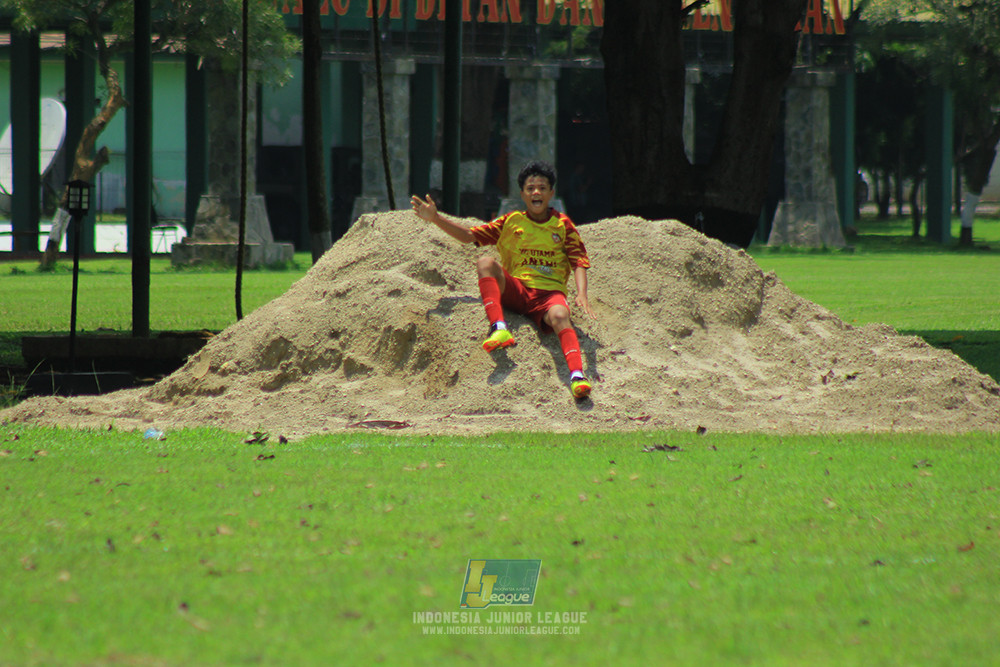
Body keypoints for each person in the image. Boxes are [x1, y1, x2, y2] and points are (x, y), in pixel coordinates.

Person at [410, 160, 595, 399]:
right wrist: (435, 218)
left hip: (549, 296)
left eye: (541, 187)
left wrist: (582, 294)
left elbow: (578, 260)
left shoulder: (563, 225)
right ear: (522, 194)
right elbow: (468, 236)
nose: (535, 192)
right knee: (485, 262)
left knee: (560, 316)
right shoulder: (510, 221)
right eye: (530, 188)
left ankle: (577, 376)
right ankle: (498, 327)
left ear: (551, 193)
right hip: (517, 290)